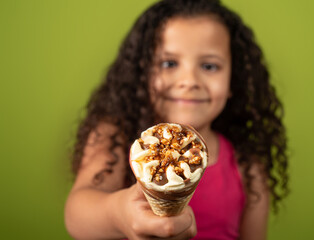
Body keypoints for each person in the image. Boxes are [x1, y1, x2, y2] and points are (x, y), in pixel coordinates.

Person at [65, 0, 289, 239]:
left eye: (210, 66)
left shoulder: (248, 169)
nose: (189, 80)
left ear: (234, 81)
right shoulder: (115, 139)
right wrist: (120, 214)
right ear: (143, 74)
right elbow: (77, 214)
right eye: (169, 63)